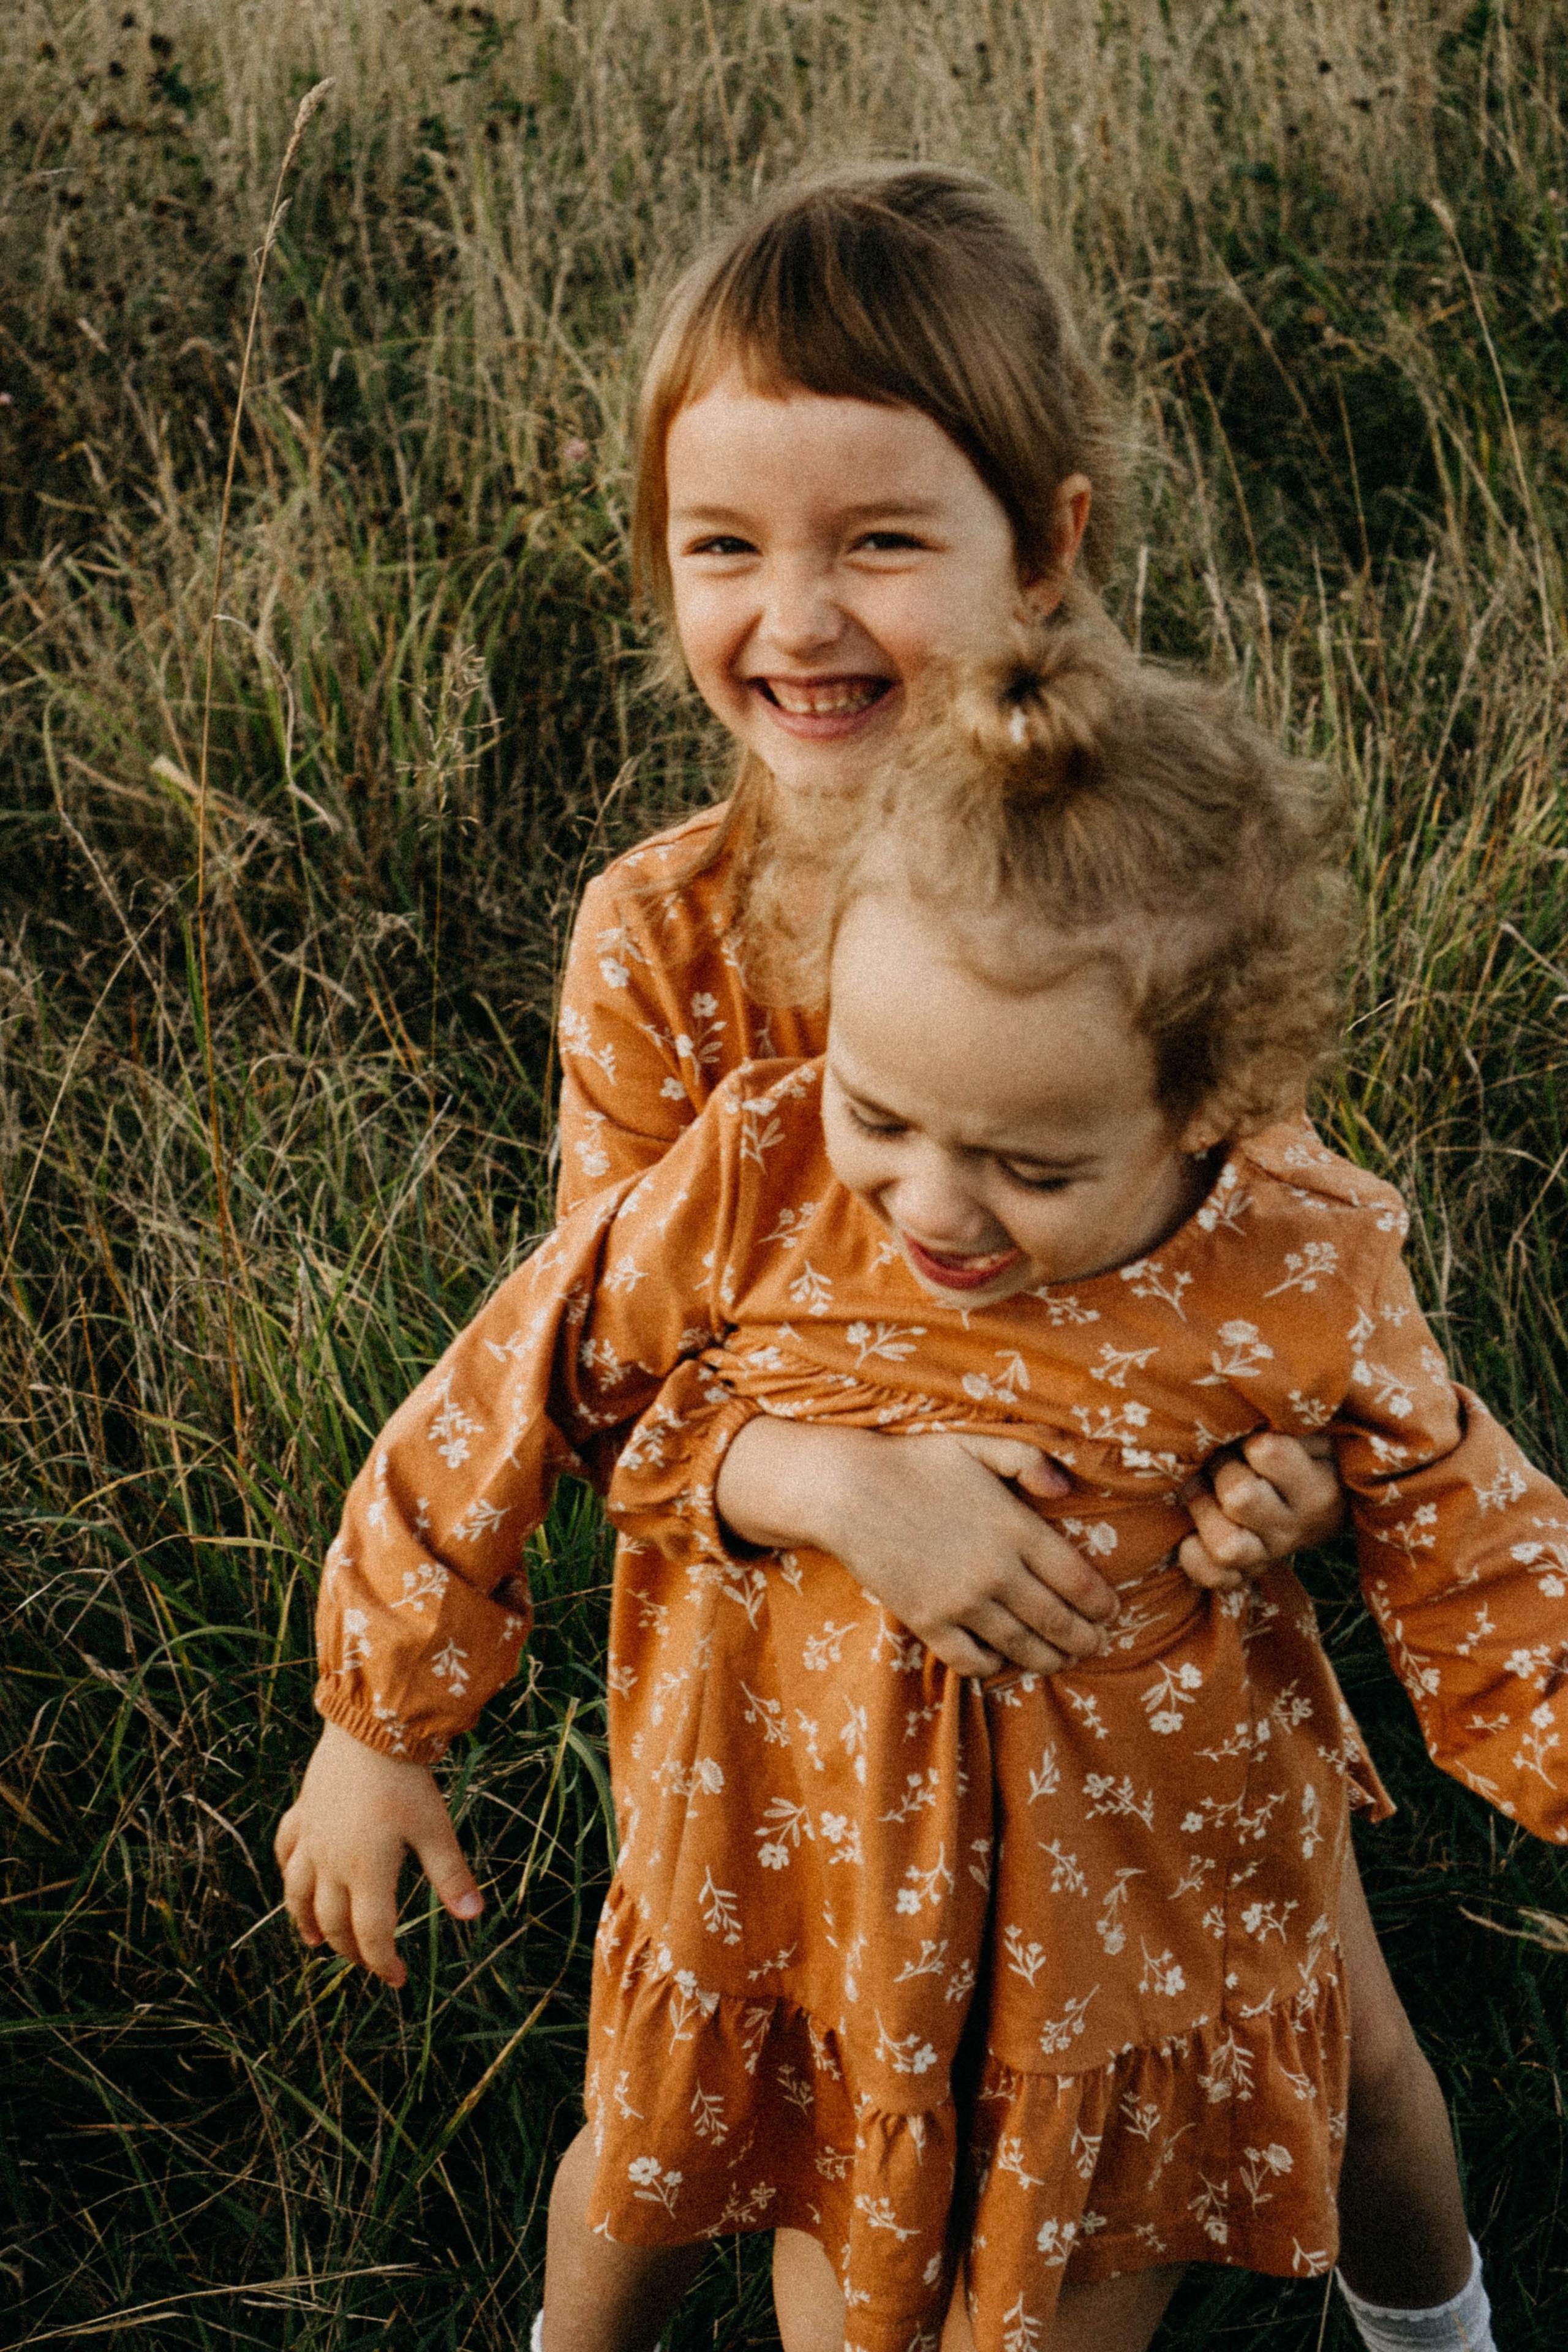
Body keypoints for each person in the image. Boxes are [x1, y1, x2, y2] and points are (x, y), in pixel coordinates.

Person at [273, 619, 1540, 2352]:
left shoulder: (1294, 1270)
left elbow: (1484, 1545)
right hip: (816, 1839)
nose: (932, 1204)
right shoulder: (760, 1174)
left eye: (1028, 1167)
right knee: (789, 2227)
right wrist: (378, 1719)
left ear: (1209, 1110)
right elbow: (514, 1382)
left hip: (1127, 1897)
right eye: (885, 1114)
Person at [548, 164, 1482, 2346]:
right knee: (710, 2099)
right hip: (789, 1707)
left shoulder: (1143, 896)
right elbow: (586, 1363)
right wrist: (840, 1483)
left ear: (1045, 552)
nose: (798, 616)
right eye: (726, 546)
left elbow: (1302, 1287)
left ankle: (1437, 2323)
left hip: (1142, 1676)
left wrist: (1312, 1482)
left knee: (1345, 2058)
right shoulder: (662, 941)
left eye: (882, 542)